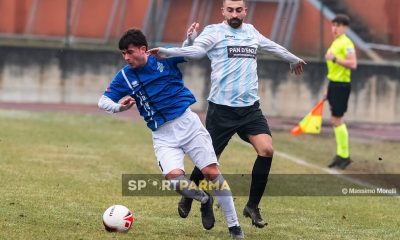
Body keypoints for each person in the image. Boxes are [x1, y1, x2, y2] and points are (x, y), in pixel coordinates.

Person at [148, 0, 306, 229]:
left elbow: (272, 46)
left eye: (238, 10)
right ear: (223, 11)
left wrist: (293, 59)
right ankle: (191, 197)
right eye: (230, 10)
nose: (234, 14)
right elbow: (195, 52)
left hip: (250, 109)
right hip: (221, 110)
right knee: (208, 163)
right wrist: (168, 51)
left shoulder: (251, 32)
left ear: (245, 11)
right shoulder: (214, 32)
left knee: (267, 149)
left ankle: (252, 206)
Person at [98, 28, 244, 239]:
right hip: (162, 135)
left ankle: (235, 228)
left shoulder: (163, 58)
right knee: (175, 181)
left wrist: (190, 38)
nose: (126, 57)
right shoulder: (124, 77)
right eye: (123, 53)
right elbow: (103, 101)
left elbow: (192, 52)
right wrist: (119, 108)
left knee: (212, 174)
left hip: (188, 124)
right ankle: (204, 200)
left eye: (130, 52)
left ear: (143, 49)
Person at [325, 14, 357, 169]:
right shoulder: (336, 42)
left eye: (338, 25)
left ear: (345, 28)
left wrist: (335, 59)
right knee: (334, 120)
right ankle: (341, 155)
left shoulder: (347, 43)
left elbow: (353, 63)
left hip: (341, 85)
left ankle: (344, 156)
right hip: (334, 84)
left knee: (337, 120)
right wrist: (328, 90)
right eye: (333, 25)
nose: (334, 28)